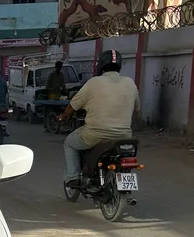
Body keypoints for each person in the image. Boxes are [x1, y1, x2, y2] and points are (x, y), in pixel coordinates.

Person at [55, 50, 140, 187]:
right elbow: (137, 107)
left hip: (95, 134)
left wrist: (63, 116)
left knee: (69, 143)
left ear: (101, 65)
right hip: (124, 135)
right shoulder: (130, 83)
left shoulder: (93, 82)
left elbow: (74, 105)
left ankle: (72, 177)